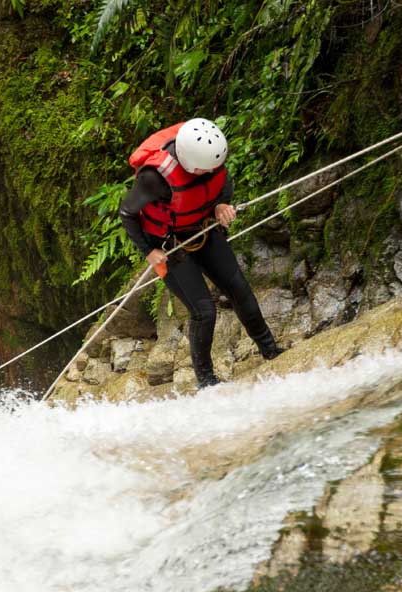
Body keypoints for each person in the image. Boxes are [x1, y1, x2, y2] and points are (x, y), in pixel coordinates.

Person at [119, 118, 285, 389]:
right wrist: (148, 251)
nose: (210, 172)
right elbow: (127, 213)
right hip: (169, 246)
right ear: (189, 162)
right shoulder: (154, 178)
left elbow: (224, 183)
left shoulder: (211, 160)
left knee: (238, 288)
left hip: (202, 229)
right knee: (204, 311)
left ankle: (270, 350)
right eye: (204, 169)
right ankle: (206, 381)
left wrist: (222, 205)